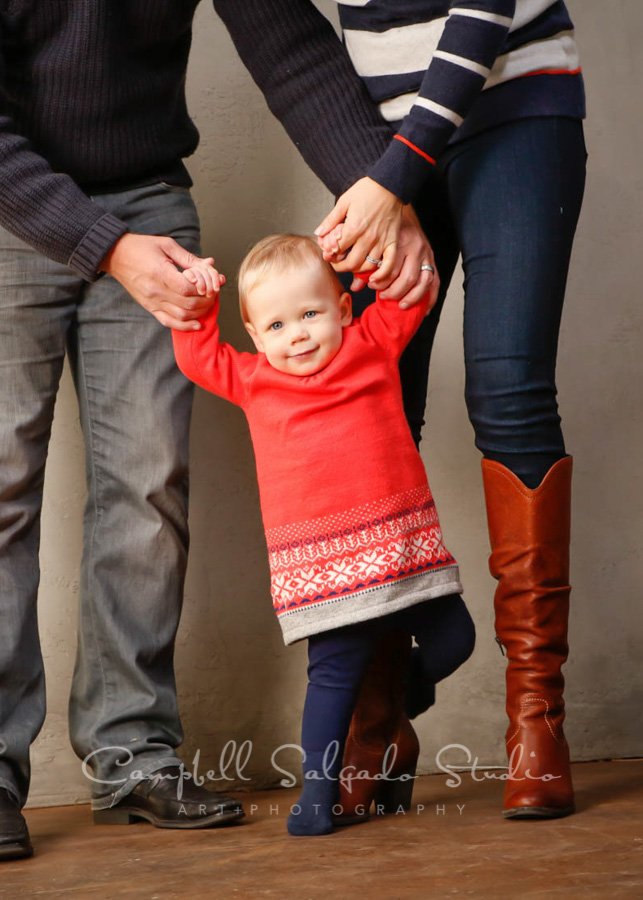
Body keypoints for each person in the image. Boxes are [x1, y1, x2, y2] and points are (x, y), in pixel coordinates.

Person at [1, 0, 426, 862]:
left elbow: (293, 51)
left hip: (150, 199)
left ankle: (132, 755)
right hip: (11, 212)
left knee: (149, 487)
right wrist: (102, 244)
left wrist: (381, 196)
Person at [309, 0, 587, 819]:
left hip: (514, 104)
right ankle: (378, 719)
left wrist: (399, 173)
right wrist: (379, 166)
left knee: (508, 391)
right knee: (368, 404)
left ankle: (536, 722)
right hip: (375, 132)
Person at [172, 235, 476, 835]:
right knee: (332, 682)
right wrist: (200, 309)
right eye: (278, 325)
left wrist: (370, 259)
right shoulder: (255, 379)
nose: (298, 335)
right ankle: (318, 793)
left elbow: (412, 292)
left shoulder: (372, 341)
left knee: (457, 639)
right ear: (257, 339)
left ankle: (396, 698)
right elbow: (197, 359)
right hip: (322, 564)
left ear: (342, 310)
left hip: (401, 548)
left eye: (311, 314)